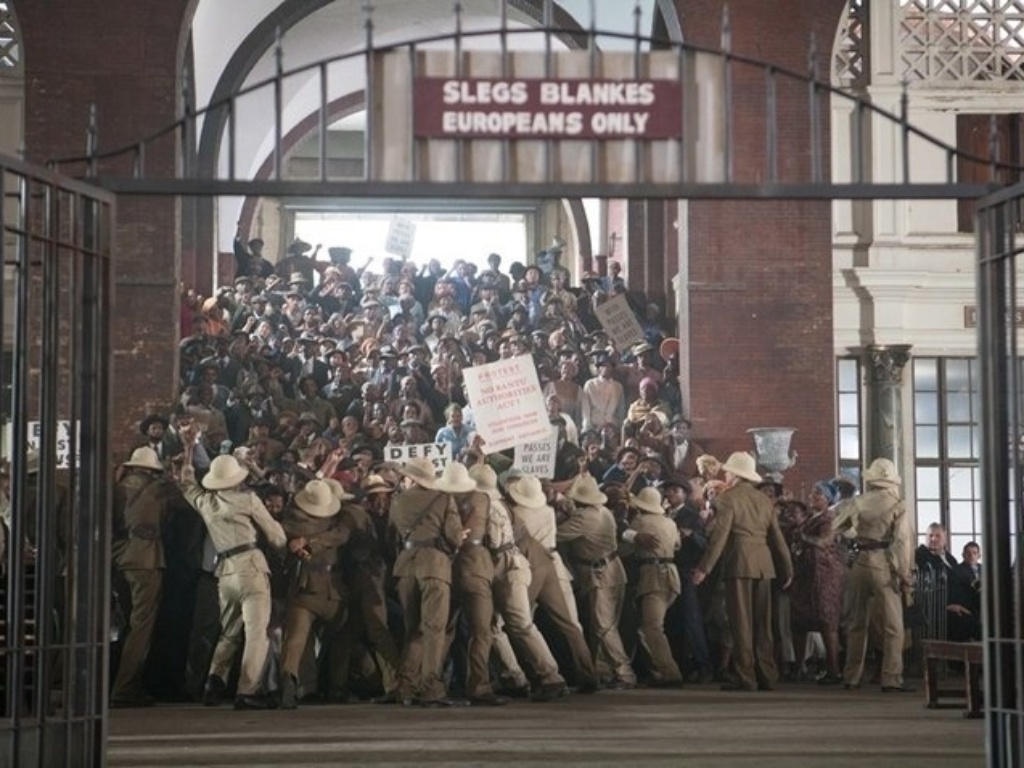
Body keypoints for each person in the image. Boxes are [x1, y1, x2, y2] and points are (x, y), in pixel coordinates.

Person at [179, 437, 287, 710]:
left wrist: (189, 452)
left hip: (224, 571)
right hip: (250, 565)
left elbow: (186, 484)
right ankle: (247, 690)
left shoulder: (206, 502)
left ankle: (214, 681)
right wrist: (281, 541)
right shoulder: (247, 499)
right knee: (256, 632)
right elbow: (276, 536)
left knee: (228, 631)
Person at [692, 451, 793, 692]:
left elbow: (719, 537)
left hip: (739, 562)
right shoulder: (765, 501)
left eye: (728, 471)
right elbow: (777, 539)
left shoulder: (727, 499)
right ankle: (767, 676)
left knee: (741, 623)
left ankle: (746, 677)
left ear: (735, 474)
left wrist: (704, 569)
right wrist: (787, 569)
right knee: (763, 624)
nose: (725, 474)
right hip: (764, 564)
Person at [388, 457, 468, 707]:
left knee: (413, 630)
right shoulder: (443, 498)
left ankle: (405, 686)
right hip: (434, 565)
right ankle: (431, 687)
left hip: (405, 566)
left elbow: (391, 535)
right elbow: (454, 537)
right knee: (434, 629)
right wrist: (460, 536)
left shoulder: (398, 500)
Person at [110, 447, 183, 707]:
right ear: (153, 470)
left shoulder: (117, 488)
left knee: (125, 625)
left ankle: (115, 683)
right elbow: (186, 500)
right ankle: (125, 688)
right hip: (147, 560)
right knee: (141, 626)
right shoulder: (160, 488)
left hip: (119, 559)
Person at [834, 457, 914, 693]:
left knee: (856, 622)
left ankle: (852, 676)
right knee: (893, 627)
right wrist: (904, 573)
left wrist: (854, 535)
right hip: (884, 564)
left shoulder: (857, 502)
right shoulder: (898, 505)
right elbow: (902, 542)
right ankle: (891, 678)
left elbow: (836, 527)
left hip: (859, 563)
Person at [558, 475, 637, 689]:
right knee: (605, 624)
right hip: (612, 569)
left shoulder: (584, 517)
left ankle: (624, 672)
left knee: (603, 626)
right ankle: (604, 671)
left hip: (600, 573)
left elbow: (557, 534)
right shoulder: (603, 512)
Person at [277, 480, 349, 709]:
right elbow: (342, 535)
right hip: (333, 589)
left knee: (297, 641)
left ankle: (293, 683)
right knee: (341, 637)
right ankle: (336, 685)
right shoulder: (337, 525)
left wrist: (307, 543)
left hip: (303, 588)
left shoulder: (290, 525)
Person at [623, 486, 683, 686]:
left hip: (652, 576)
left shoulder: (639, 521)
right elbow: (677, 545)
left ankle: (670, 673)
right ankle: (657, 669)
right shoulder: (670, 522)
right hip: (672, 575)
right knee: (647, 627)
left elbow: (625, 546)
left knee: (652, 627)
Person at [947, 541, 982, 642]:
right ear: (963, 555)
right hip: (967, 607)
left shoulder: (984, 569)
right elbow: (956, 593)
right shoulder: (956, 571)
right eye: (968, 553)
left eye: (975, 553)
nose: (971, 556)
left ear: (979, 555)